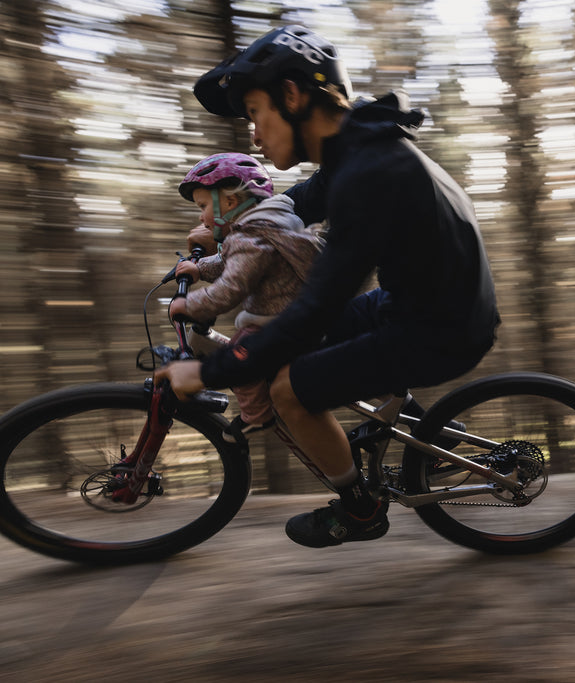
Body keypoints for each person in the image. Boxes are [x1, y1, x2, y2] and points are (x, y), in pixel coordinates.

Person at [155, 25, 501, 549]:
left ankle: (361, 510)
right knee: (295, 350)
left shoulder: (370, 172)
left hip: (441, 330)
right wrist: (229, 224)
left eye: (254, 112)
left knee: (288, 389)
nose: (253, 134)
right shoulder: (356, 152)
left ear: (291, 96)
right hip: (417, 304)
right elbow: (296, 203)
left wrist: (211, 370)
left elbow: (317, 304)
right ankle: (420, 434)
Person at [171, 152, 323, 443]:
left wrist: (189, 305)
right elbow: (232, 262)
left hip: (278, 319)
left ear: (229, 203)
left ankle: (256, 416)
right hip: (296, 312)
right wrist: (199, 268)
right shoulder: (263, 225)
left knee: (240, 359)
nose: (200, 216)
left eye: (203, 206)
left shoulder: (249, 235)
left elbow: (231, 288)